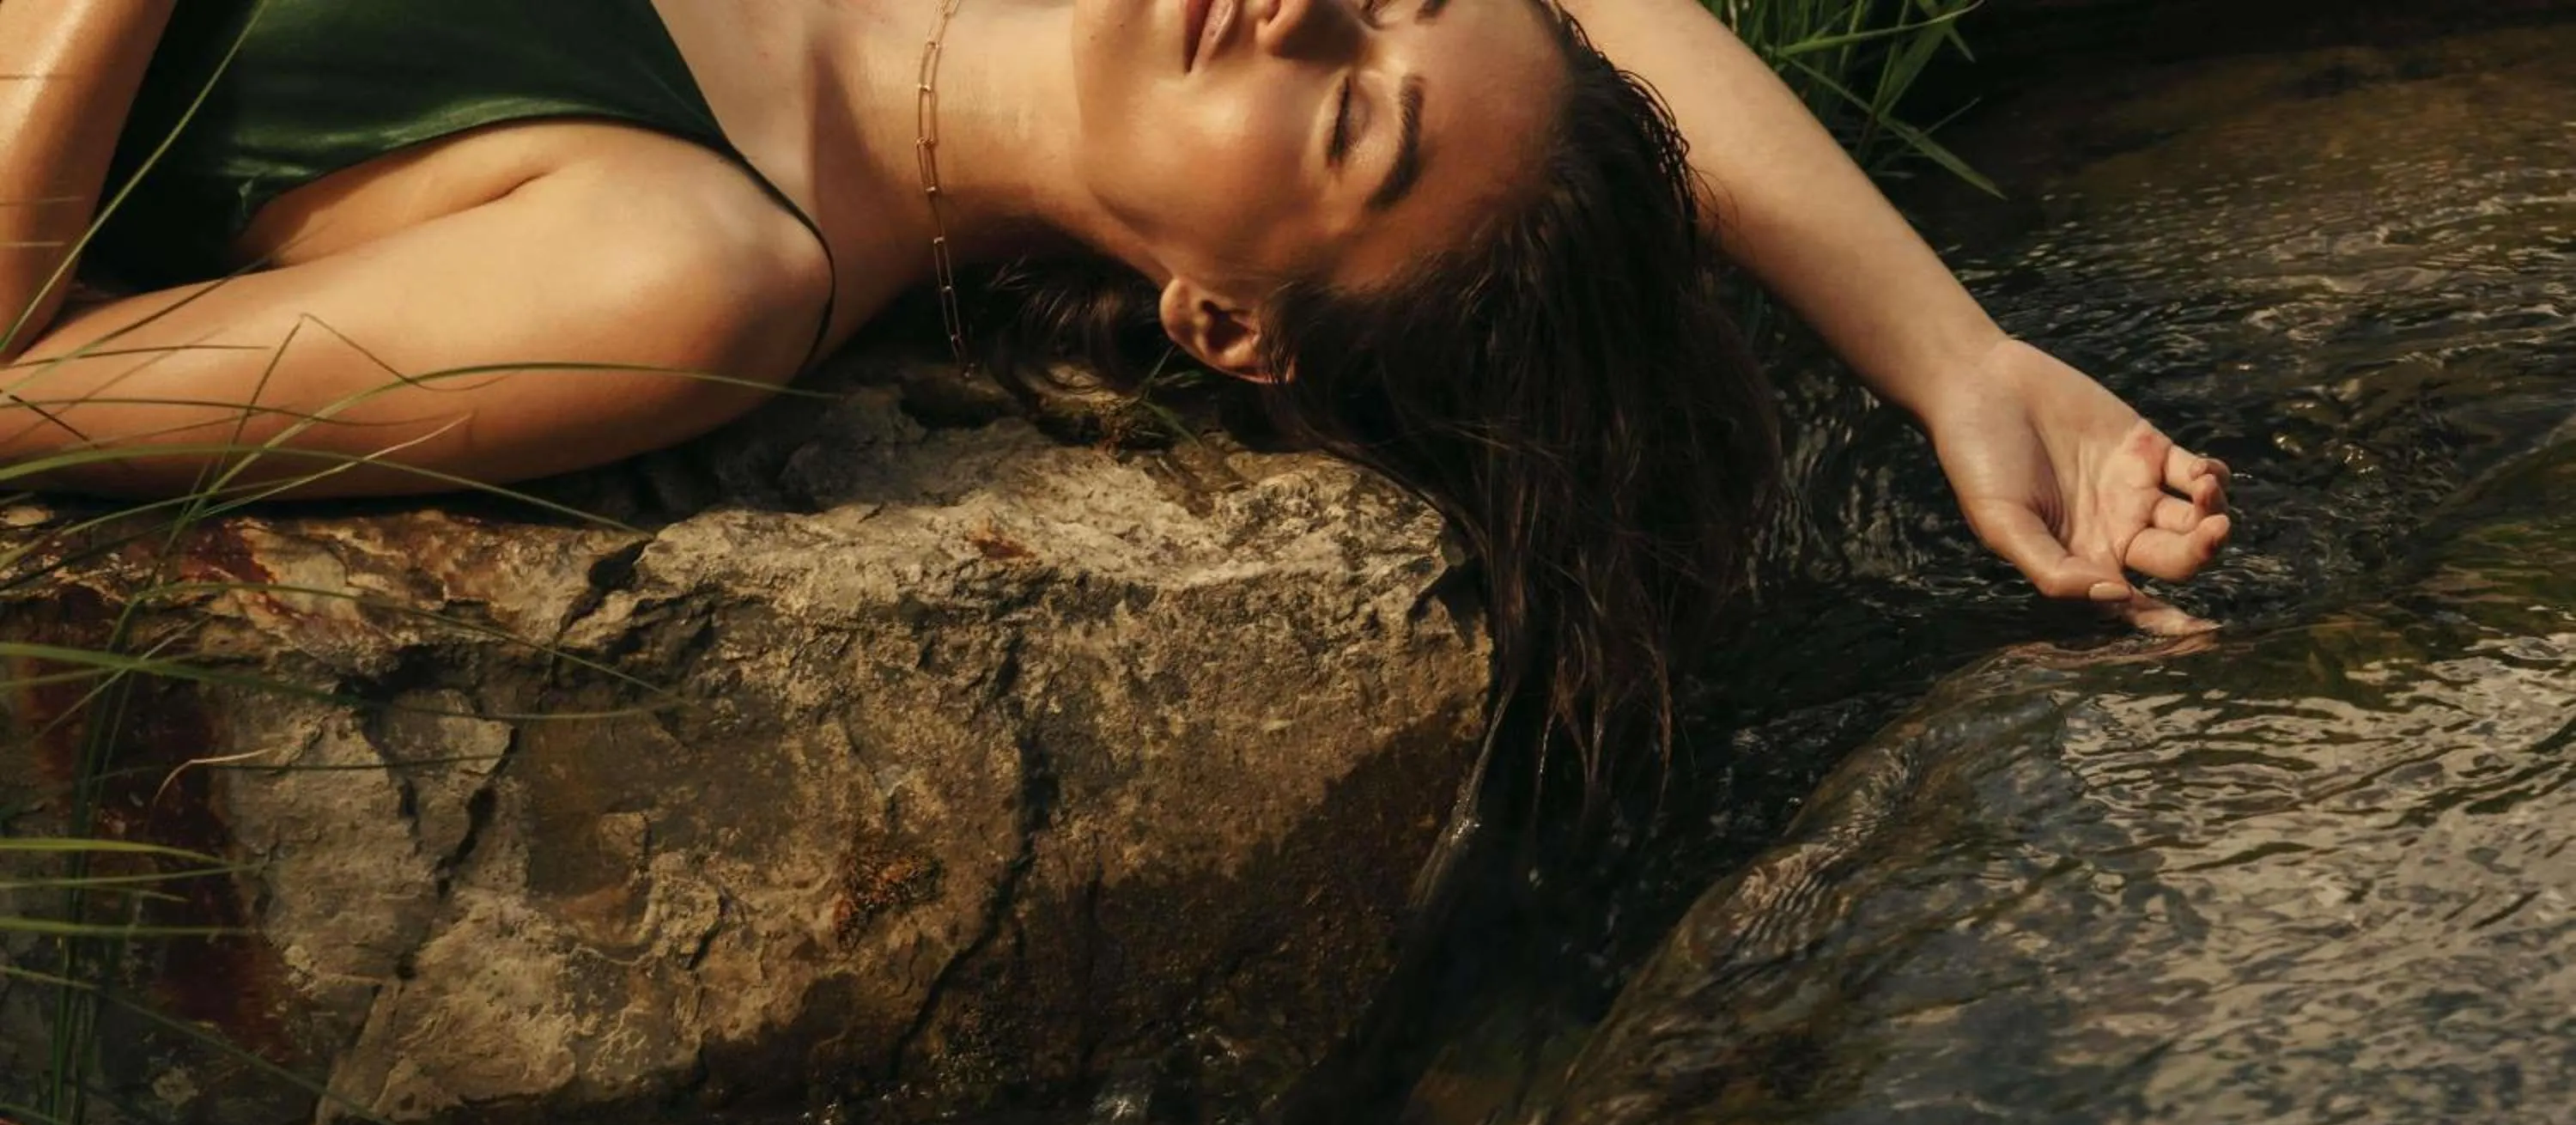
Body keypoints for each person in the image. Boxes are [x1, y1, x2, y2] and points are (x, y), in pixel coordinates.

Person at [2, 0, 2230, 767]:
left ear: (1232, 329)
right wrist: (1953, 351)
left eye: (1343, 103)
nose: (1291, 14)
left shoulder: (687, 263)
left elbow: (22, 381)